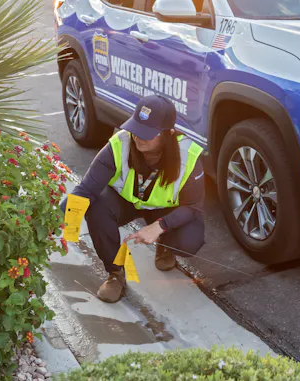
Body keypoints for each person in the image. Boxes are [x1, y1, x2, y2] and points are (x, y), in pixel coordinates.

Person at [60, 95, 206, 303]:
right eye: (137, 128)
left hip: (165, 210)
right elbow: (86, 190)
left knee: (189, 240)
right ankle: (115, 274)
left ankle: (164, 245)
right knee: (96, 207)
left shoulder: (188, 156)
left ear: (169, 134)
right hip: (126, 201)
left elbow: (193, 208)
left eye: (148, 133)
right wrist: (55, 218)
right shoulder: (119, 144)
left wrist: (159, 226)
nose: (138, 137)